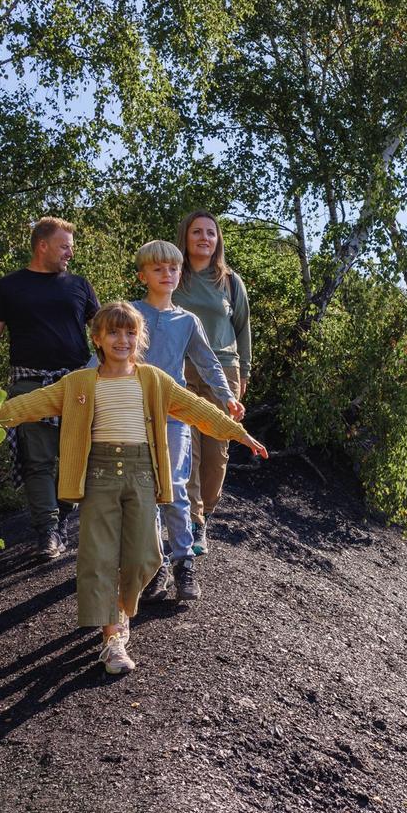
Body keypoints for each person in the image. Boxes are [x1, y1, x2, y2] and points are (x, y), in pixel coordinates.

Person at [0, 302, 268, 674]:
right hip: (98, 476)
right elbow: (28, 405)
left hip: (142, 476)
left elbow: (199, 409)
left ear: (140, 337)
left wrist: (240, 433)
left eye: (130, 332)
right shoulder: (79, 383)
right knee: (98, 558)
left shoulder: (153, 380)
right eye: (114, 332)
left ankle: (120, 607)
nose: (123, 339)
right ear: (97, 338)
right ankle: (112, 639)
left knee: (145, 557)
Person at [0, 217, 100, 560]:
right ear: (42, 245)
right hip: (30, 384)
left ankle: (61, 515)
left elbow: (103, 330)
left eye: (71, 246)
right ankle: (47, 531)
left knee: (81, 456)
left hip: (77, 382)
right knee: (38, 461)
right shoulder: (8, 287)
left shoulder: (79, 285)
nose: (70, 253)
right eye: (64, 246)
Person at [129, 240, 241, 603]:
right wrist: (78, 391)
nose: (167, 275)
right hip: (134, 413)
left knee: (175, 487)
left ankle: (184, 562)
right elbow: (101, 355)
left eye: (173, 269)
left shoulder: (187, 320)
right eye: (158, 269)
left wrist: (226, 396)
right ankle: (155, 563)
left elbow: (208, 362)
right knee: (144, 492)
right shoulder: (129, 313)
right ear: (142, 274)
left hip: (174, 414)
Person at [173, 209, 253, 557]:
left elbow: (243, 330)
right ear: (186, 238)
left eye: (210, 232)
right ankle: (193, 521)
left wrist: (245, 372)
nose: (204, 238)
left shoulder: (231, 281)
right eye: (197, 232)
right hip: (181, 369)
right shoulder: (174, 276)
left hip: (223, 370)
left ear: (218, 240)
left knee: (217, 450)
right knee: (185, 445)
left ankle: (205, 510)